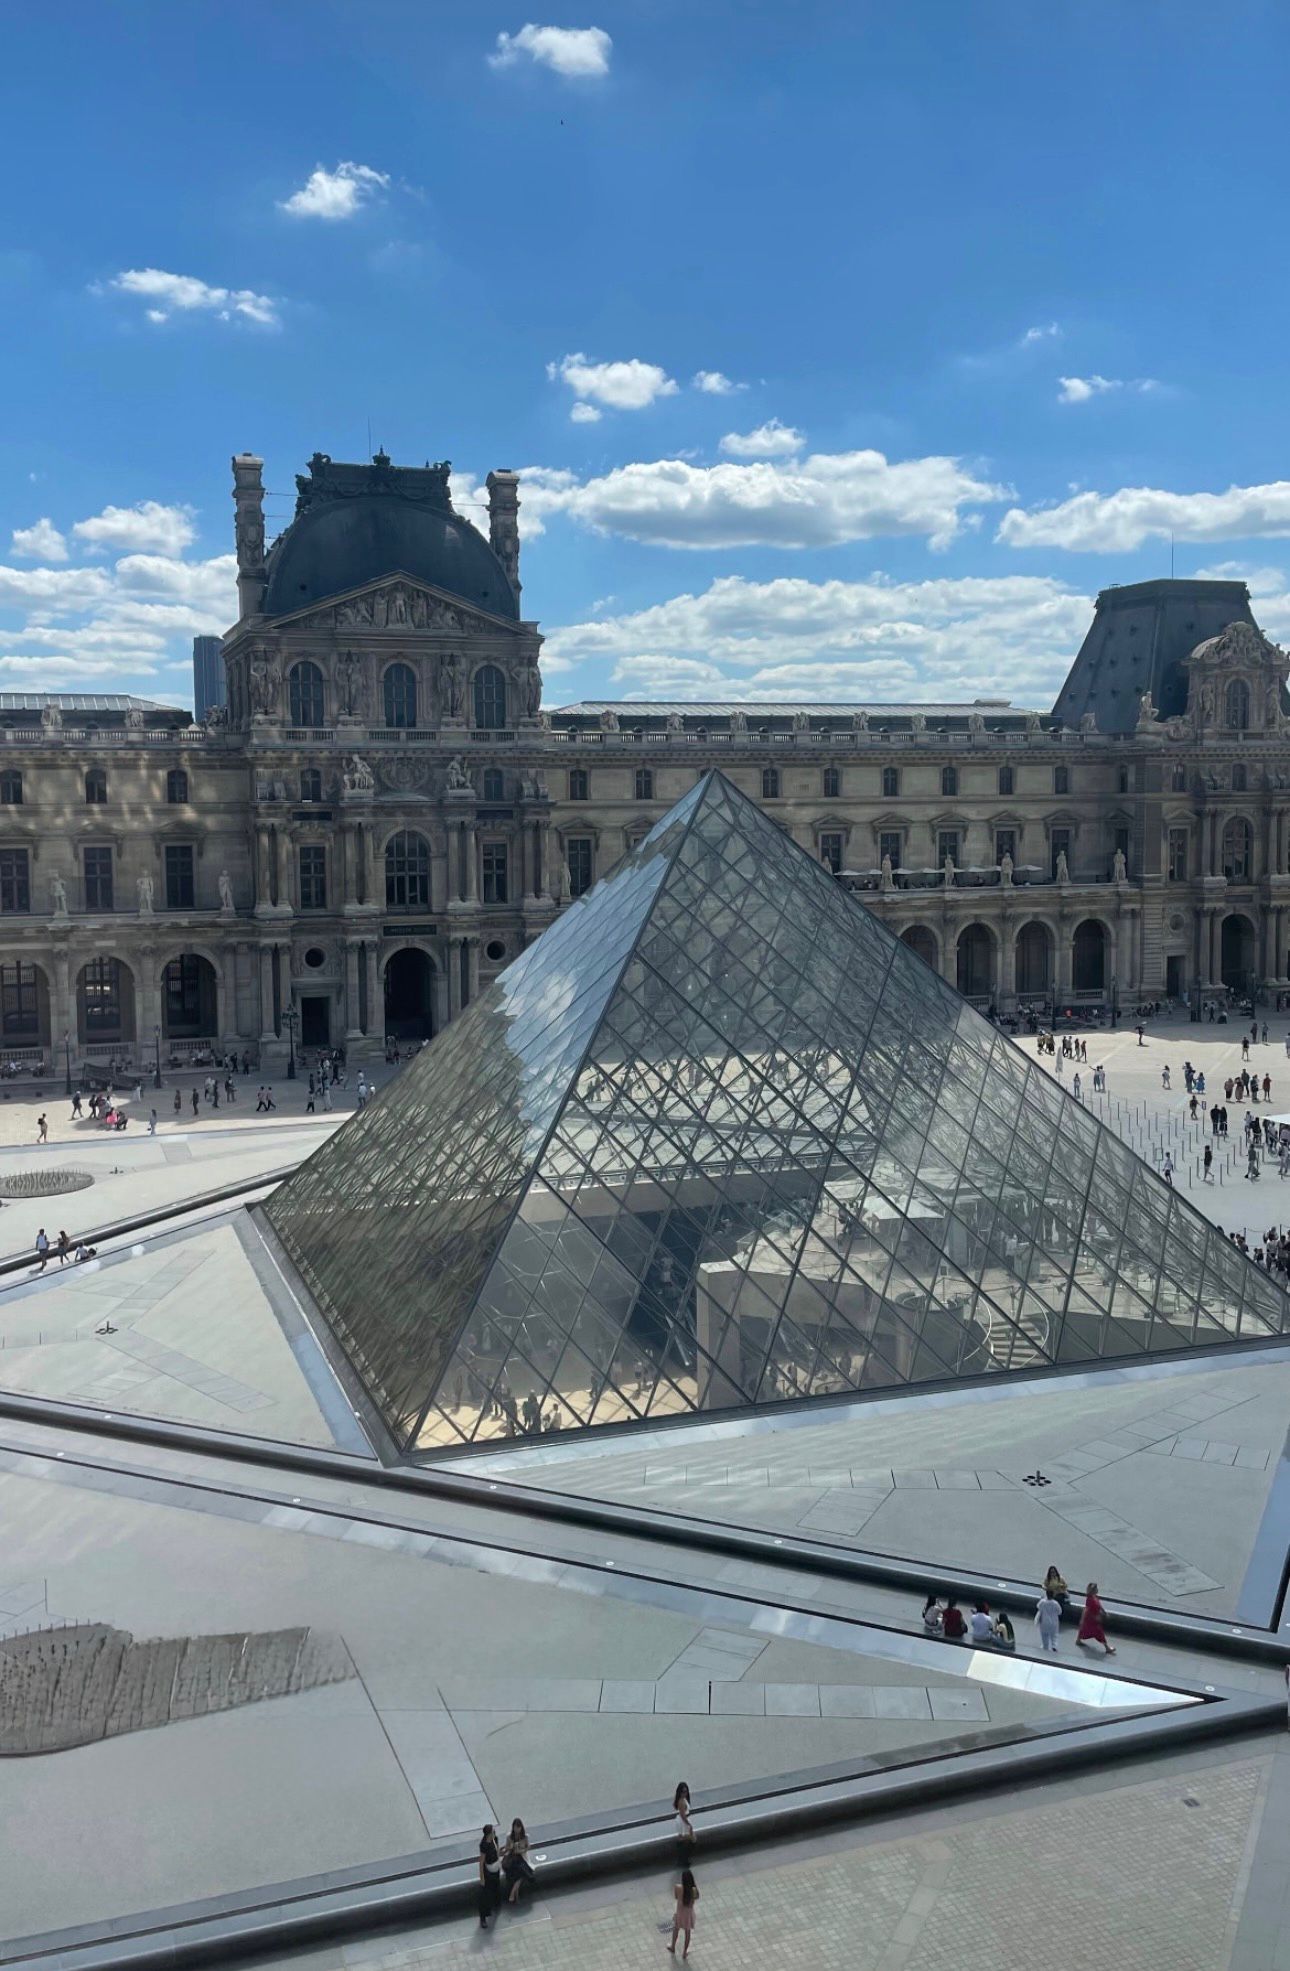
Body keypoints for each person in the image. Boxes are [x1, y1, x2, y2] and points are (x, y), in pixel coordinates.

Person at [1076, 1582, 1115, 1654]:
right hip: (1091, 1619)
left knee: (1085, 1629)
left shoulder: (1094, 1597)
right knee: (1099, 1632)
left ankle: (1078, 1640)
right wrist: (1090, 1618)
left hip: (1094, 1618)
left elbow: (1100, 1606)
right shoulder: (1090, 1599)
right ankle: (1107, 1648)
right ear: (1093, 1590)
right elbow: (1087, 1610)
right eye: (1096, 1588)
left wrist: (1104, 1612)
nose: (1097, 1589)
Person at [668, 1869, 699, 1959]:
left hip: (680, 1912)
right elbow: (695, 1899)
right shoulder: (693, 1890)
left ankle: (673, 1946)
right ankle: (685, 1952)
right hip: (688, 1915)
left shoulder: (678, 1887)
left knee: (676, 1929)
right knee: (687, 1933)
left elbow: (676, 1897)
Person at [503, 1818, 535, 1903]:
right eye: (515, 1827)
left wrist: (521, 1850)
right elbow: (506, 1848)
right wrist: (512, 1847)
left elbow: (528, 1847)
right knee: (521, 1872)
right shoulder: (509, 1836)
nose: (516, 1830)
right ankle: (514, 1893)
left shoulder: (525, 1837)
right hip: (512, 1858)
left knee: (522, 1872)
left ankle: (513, 1892)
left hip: (521, 1857)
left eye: (518, 1827)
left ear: (521, 1828)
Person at [477, 1824, 502, 1929]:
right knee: (486, 1893)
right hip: (488, 1870)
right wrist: (482, 1877)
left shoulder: (495, 1839)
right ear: (489, 1833)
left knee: (496, 1887)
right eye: (493, 1831)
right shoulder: (484, 1845)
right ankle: (483, 1916)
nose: (494, 1833)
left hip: (495, 1867)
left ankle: (496, 1904)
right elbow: (481, 1861)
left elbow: (497, 1851)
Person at [673, 1782, 696, 1866]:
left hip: (684, 1820)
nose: (684, 1793)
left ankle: (683, 1859)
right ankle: (684, 1859)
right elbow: (683, 1815)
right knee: (691, 1840)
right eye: (683, 1792)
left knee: (684, 1840)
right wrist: (689, 1824)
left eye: (686, 1791)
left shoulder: (683, 1800)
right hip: (684, 1821)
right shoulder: (681, 1802)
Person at [1035, 1587, 1062, 1652]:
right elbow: (1060, 1612)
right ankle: (1054, 1646)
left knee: (1044, 1635)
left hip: (1044, 1622)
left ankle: (1045, 1646)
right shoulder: (1055, 1603)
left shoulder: (1042, 1602)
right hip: (1054, 1622)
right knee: (1054, 1635)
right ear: (1053, 1595)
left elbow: (1038, 1607)